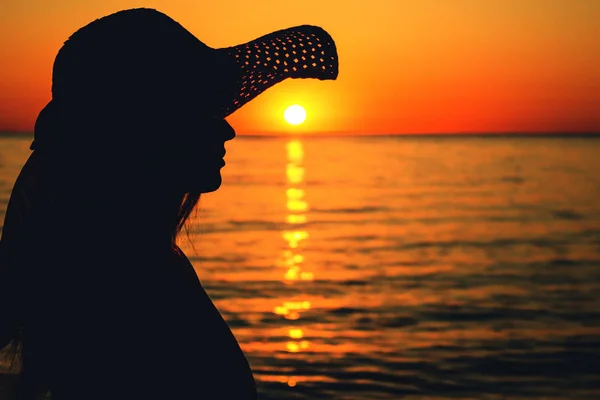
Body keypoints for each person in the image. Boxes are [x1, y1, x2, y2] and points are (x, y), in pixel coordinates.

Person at [0, 8, 338, 400]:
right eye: (200, 111)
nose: (227, 127)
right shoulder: (129, 280)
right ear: (144, 128)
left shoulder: (114, 255)